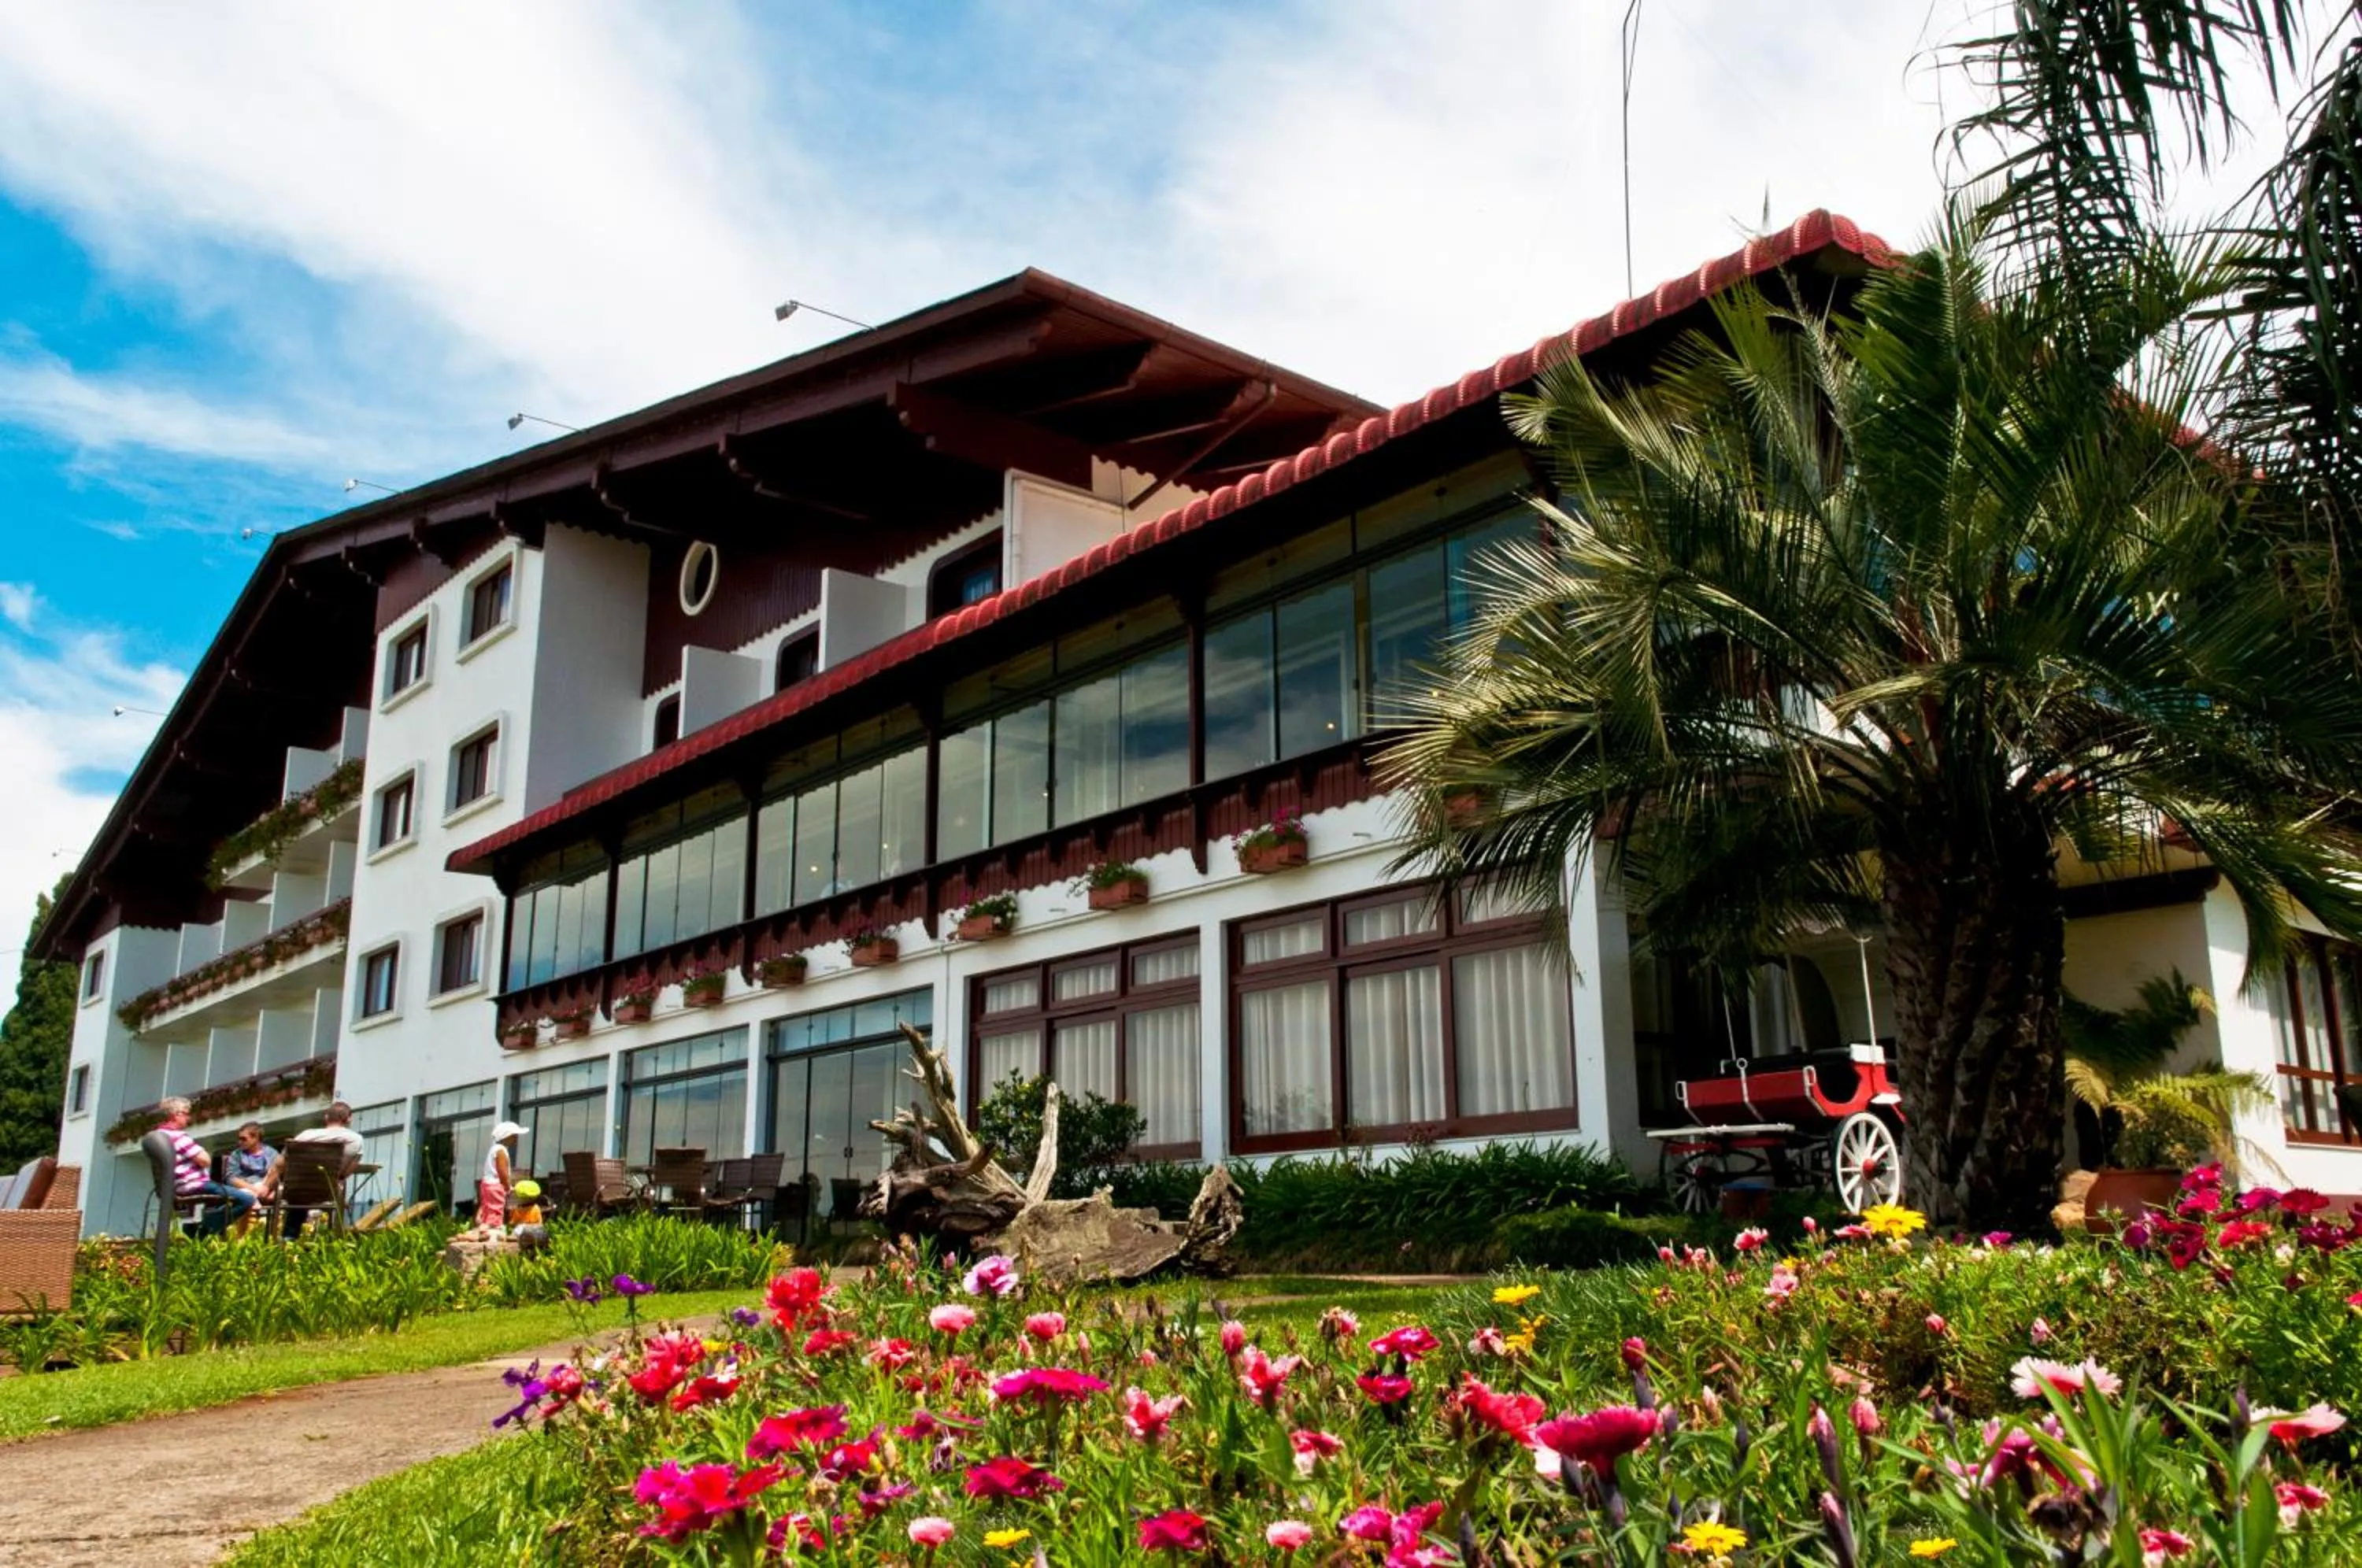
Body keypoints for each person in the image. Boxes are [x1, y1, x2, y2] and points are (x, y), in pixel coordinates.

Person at [262, 1101, 365, 1238]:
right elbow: (347, 1172)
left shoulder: (306, 1135)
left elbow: (280, 1164)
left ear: (326, 1117)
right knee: (333, 1190)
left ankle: (288, 1238)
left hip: (295, 1189)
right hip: (328, 1191)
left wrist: (266, 1185)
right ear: (348, 1119)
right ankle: (330, 1239)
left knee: (300, 1192)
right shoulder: (356, 1140)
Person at [160, 1097, 256, 1237]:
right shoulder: (178, 1137)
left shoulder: (159, 1135)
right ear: (176, 1115)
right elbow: (205, 1160)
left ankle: (198, 1227)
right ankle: (202, 1230)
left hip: (176, 1185)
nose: (188, 1118)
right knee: (246, 1199)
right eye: (186, 1114)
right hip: (193, 1184)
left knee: (227, 1198)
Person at [480, 1122, 528, 1229]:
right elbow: (502, 1172)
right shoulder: (501, 1151)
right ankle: (493, 1230)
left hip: (487, 1184)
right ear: (507, 1136)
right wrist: (507, 1186)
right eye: (514, 1136)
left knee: (489, 1211)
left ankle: (485, 1227)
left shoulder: (494, 1149)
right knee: (496, 1212)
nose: (516, 1138)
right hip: (495, 1186)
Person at [508, 1178, 549, 1253]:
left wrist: (512, 1223)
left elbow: (514, 1223)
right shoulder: (536, 1207)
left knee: (519, 1228)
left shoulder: (518, 1209)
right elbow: (540, 1222)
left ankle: (514, 1237)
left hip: (523, 1229)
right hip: (535, 1229)